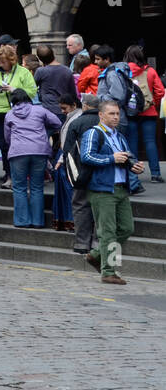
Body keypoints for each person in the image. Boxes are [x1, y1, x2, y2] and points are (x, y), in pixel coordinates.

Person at [79, 97, 144, 284]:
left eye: (117, 114)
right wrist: (111, 158)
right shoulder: (94, 133)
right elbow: (87, 157)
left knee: (126, 228)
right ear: (101, 115)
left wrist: (134, 166)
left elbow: (126, 158)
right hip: (102, 189)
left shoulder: (119, 135)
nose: (116, 117)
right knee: (108, 232)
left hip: (121, 188)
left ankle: (95, 255)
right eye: (112, 114)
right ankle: (109, 271)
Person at [3, 89, 62, 228]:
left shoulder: (9, 114)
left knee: (19, 187)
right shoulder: (39, 110)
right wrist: (45, 130)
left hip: (18, 152)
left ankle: (22, 221)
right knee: (37, 187)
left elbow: (7, 137)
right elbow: (57, 122)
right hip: (39, 151)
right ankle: (37, 221)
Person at [0, 44, 37, 189]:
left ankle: (15, 176)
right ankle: (8, 175)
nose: (1, 64)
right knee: (3, 145)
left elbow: (32, 92)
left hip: (16, 112)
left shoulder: (23, 72)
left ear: (11, 60)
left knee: (15, 144)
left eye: (4, 62)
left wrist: (15, 90)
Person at [62, 93, 103, 255]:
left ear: (85, 106)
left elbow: (68, 151)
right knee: (100, 207)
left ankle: (81, 243)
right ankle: (97, 243)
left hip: (81, 172)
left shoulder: (77, 122)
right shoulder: (104, 123)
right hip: (101, 171)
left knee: (80, 205)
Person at [124, 45, 163, 182]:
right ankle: (156, 174)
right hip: (149, 112)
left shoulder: (123, 71)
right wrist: (152, 103)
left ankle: (133, 175)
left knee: (132, 142)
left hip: (130, 112)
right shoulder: (150, 71)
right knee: (150, 142)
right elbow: (160, 91)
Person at [51, 95, 80, 232]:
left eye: (64, 108)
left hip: (67, 157)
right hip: (65, 155)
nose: (62, 111)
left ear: (74, 105)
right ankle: (67, 221)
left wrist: (61, 159)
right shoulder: (72, 117)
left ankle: (71, 220)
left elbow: (70, 143)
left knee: (68, 190)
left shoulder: (76, 119)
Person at [94, 44, 137, 136]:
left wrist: (99, 98)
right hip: (114, 118)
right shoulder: (111, 72)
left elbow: (117, 96)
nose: (95, 62)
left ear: (107, 59)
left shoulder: (112, 74)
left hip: (115, 120)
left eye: (98, 59)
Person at [34, 43, 78, 120]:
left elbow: (32, 87)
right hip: (64, 109)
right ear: (53, 54)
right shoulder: (67, 70)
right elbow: (73, 92)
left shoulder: (41, 71)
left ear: (40, 59)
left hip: (47, 109)